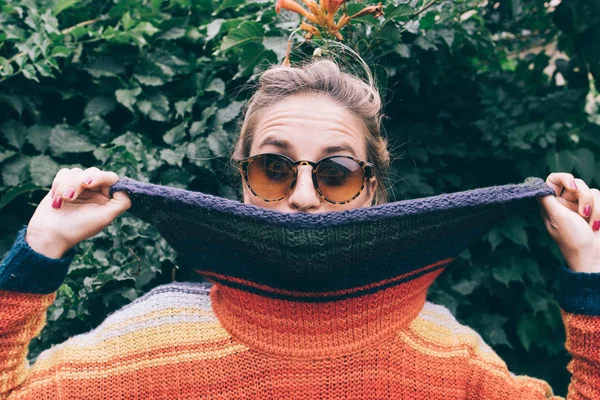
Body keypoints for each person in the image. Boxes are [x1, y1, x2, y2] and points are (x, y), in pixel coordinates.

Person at [0, 58, 598, 399]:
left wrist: (590, 274)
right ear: (242, 179)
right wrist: (40, 249)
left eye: (336, 172)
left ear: (371, 186)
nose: (305, 197)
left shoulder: (447, 354)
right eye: (274, 167)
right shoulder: (153, 342)